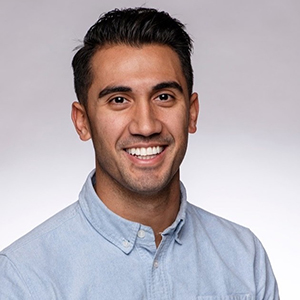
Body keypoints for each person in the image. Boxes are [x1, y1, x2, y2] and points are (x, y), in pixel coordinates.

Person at [0, 7, 279, 299]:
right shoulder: (23, 278)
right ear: (82, 122)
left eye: (164, 97)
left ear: (192, 113)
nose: (146, 126)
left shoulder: (244, 258)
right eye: (119, 99)